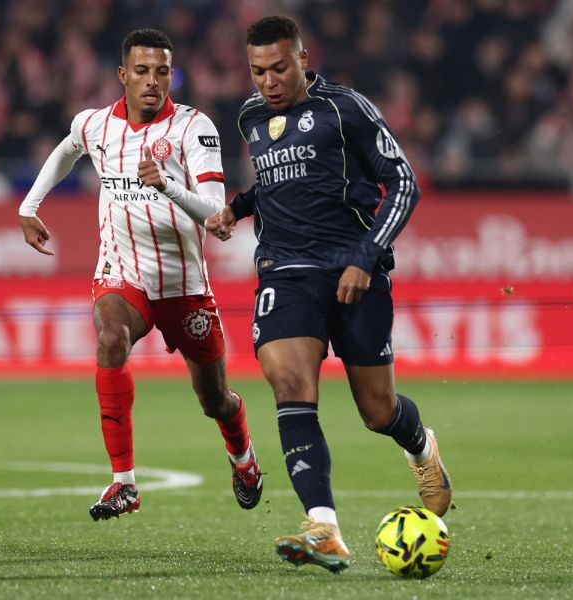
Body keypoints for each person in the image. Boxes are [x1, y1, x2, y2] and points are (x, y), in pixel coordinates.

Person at [206, 16, 452, 572]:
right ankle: (324, 527)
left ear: (301, 58)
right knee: (289, 382)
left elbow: (403, 182)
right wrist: (237, 209)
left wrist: (366, 256)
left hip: (351, 271)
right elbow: (271, 185)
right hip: (283, 273)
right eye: (257, 71)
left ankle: (421, 448)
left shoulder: (346, 109)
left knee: (377, 409)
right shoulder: (249, 116)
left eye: (278, 68)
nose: (267, 82)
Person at [18, 28, 263, 520]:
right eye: (143, 71)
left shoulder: (195, 129)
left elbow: (216, 211)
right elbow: (68, 148)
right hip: (123, 274)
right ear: (123, 75)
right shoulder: (95, 125)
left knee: (214, 399)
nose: (153, 82)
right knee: (109, 338)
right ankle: (123, 483)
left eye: (163, 72)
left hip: (183, 285)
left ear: (172, 75)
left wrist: (168, 186)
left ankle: (244, 459)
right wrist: (30, 205)